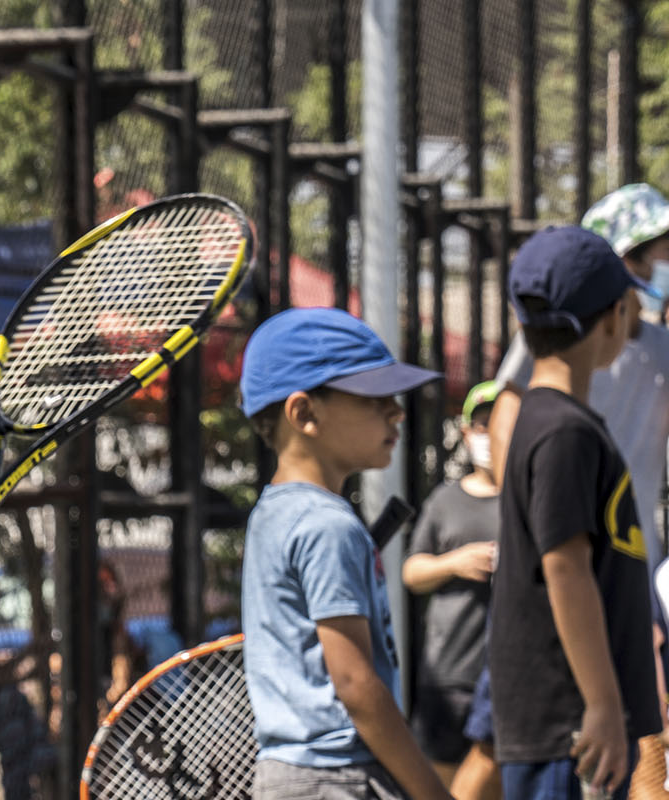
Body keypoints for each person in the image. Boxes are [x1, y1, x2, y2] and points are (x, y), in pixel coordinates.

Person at [238, 306, 449, 800]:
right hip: (339, 781)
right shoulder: (329, 526)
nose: (396, 411)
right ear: (305, 413)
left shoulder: (273, 513)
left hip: (290, 777)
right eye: (375, 397)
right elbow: (356, 685)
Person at [489, 225, 662, 799]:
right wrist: (603, 703)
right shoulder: (564, 430)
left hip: (571, 721)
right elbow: (566, 568)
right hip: (570, 725)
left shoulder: (555, 421)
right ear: (615, 316)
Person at [404, 381, 506, 785]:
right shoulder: (445, 500)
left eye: (498, 423)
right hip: (448, 673)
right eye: (481, 424)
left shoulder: (529, 495)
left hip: (504, 674)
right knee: (440, 784)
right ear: (466, 432)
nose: (489, 434)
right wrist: (455, 563)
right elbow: (412, 572)